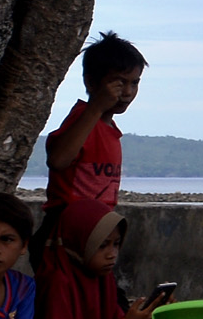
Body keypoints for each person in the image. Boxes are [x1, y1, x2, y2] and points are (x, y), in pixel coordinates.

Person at [42, 31, 143, 249]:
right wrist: (96, 107)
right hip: (66, 234)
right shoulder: (83, 119)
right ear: (91, 82)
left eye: (134, 83)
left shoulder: (110, 130)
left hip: (97, 231)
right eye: (118, 83)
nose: (127, 92)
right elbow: (58, 159)